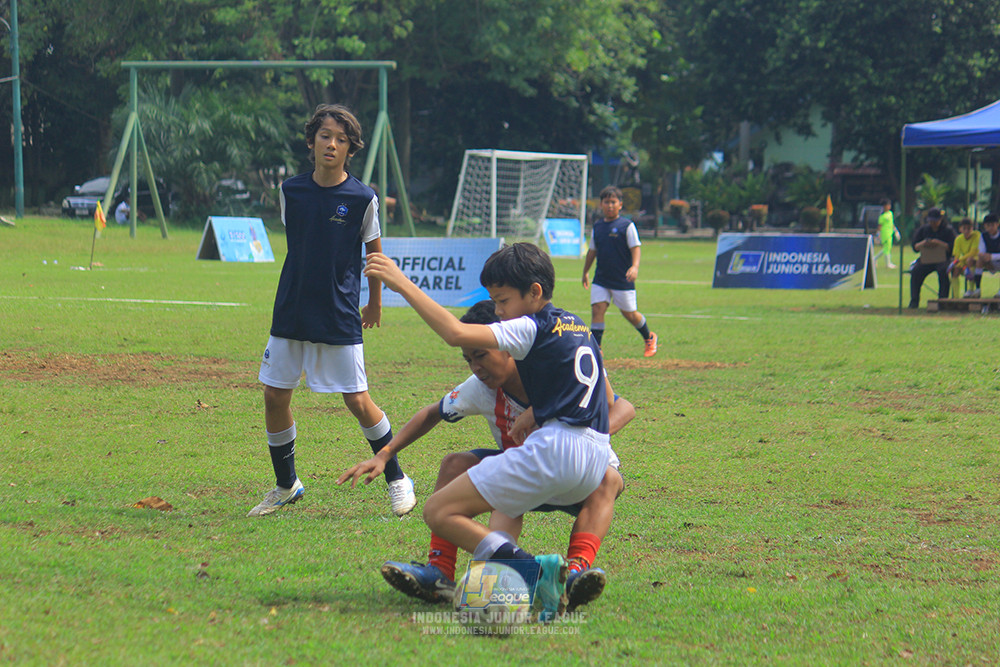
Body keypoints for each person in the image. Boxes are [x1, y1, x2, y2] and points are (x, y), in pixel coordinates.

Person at [340, 242, 613, 621]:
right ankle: (497, 588)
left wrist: (401, 283)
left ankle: (537, 573)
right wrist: (541, 410)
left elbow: (455, 333)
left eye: (502, 301)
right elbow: (606, 396)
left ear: (535, 293)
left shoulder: (532, 327)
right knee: (505, 502)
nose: (499, 313)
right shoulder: (578, 326)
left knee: (438, 511)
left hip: (554, 449)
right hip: (594, 456)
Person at [377, 300, 635, 612]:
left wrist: (572, 427)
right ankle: (442, 572)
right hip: (524, 474)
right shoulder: (481, 388)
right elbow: (432, 413)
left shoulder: (557, 365)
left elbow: (622, 407)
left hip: (575, 473)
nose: (475, 366)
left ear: (509, 346)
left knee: (609, 477)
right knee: (455, 465)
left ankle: (575, 574)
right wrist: (387, 453)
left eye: (481, 354)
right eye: (468, 359)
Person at [248, 104, 415, 518]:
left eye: (341, 140)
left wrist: (374, 301)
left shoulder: (362, 198)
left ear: (350, 150)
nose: (332, 144)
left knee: (357, 400)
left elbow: (375, 255)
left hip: (339, 313)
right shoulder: (292, 191)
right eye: (325, 136)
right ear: (311, 141)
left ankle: (397, 478)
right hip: (290, 309)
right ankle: (286, 485)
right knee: (274, 394)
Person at [582, 185, 658, 357]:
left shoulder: (627, 226)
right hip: (601, 278)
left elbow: (635, 248)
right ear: (601, 204)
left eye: (613, 202)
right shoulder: (598, 226)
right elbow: (592, 251)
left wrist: (635, 266)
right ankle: (597, 349)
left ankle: (649, 337)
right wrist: (585, 271)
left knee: (630, 314)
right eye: (606, 202)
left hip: (622, 279)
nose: (610, 205)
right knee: (597, 309)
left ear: (620, 205)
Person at [908, 208, 955, 309]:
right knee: (916, 271)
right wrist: (925, 243)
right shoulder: (923, 229)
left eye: (935, 220)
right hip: (927, 260)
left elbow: (952, 247)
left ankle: (942, 301)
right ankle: (914, 301)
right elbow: (915, 246)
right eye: (931, 221)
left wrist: (938, 243)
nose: (933, 223)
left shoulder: (948, 230)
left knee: (943, 271)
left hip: (943, 259)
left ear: (941, 219)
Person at [949, 218, 981, 298]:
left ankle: (971, 290)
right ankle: (956, 297)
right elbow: (956, 253)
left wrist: (961, 260)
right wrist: (957, 262)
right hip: (963, 260)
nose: (967, 231)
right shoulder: (958, 239)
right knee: (955, 269)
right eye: (964, 228)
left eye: (969, 228)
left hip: (975, 259)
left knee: (970, 260)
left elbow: (973, 252)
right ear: (960, 229)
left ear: (972, 228)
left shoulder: (976, 235)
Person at [971, 213, 1000, 298]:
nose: (990, 227)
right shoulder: (983, 236)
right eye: (988, 225)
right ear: (985, 226)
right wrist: (984, 257)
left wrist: (992, 256)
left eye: (993, 225)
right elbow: (981, 250)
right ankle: (978, 289)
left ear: (997, 224)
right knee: (979, 261)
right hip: (989, 262)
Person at [877, 198, 900, 269]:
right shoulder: (882, 216)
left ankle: (874, 259)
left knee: (887, 248)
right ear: (884, 206)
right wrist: (878, 235)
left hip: (890, 233)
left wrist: (896, 231)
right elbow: (879, 227)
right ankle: (888, 263)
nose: (889, 206)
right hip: (885, 233)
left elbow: (892, 223)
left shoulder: (890, 213)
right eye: (887, 205)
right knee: (886, 248)